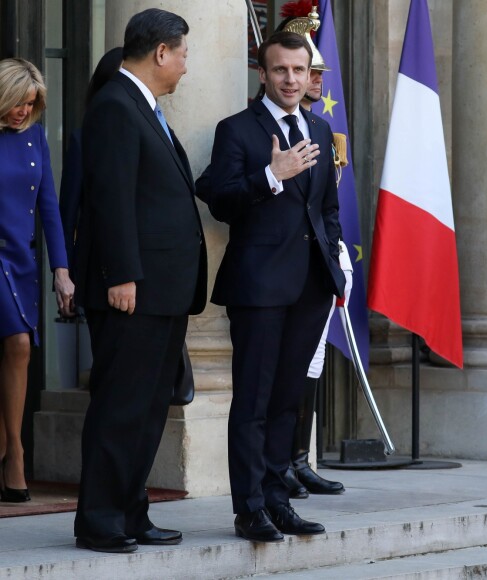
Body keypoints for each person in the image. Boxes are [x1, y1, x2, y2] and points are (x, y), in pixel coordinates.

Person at [73, 8, 207, 554]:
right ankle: (100, 520)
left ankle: (131, 512)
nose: (184, 66)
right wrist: (122, 274)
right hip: (133, 290)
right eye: (182, 54)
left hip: (163, 289)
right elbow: (110, 201)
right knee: (121, 406)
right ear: (160, 53)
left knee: (150, 408)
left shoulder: (141, 107)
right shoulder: (115, 107)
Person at [205, 31, 345, 543]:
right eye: (280, 70)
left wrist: (334, 265)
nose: (290, 80)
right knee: (254, 401)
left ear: (311, 75)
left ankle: (278, 500)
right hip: (259, 288)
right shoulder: (237, 130)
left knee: (288, 400)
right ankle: (250, 509)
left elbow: (327, 209)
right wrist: (271, 173)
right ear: (262, 74)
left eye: (299, 71)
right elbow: (220, 200)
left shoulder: (321, 127)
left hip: (310, 287)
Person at [275, 9, 353, 499]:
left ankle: (299, 458)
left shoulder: (325, 131)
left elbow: (329, 205)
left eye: (313, 72)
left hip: (319, 265)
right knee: (284, 370)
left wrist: (334, 255)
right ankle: (279, 462)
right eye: (308, 71)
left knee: (313, 363)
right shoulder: (266, 128)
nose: (315, 80)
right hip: (279, 269)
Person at [0, 58, 75, 502]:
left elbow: (49, 206)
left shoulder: (35, 138)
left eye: (30, 104)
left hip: (21, 261)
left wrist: (61, 271)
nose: (22, 112)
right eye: (16, 102)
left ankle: (7, 446)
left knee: (16, 350)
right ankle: (16, 454)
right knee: (19, 344)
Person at [59, 47, 124, 278]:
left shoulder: (158, 133)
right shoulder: (83, 139)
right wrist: (64, 275)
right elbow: (68, 213)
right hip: (96, 268)